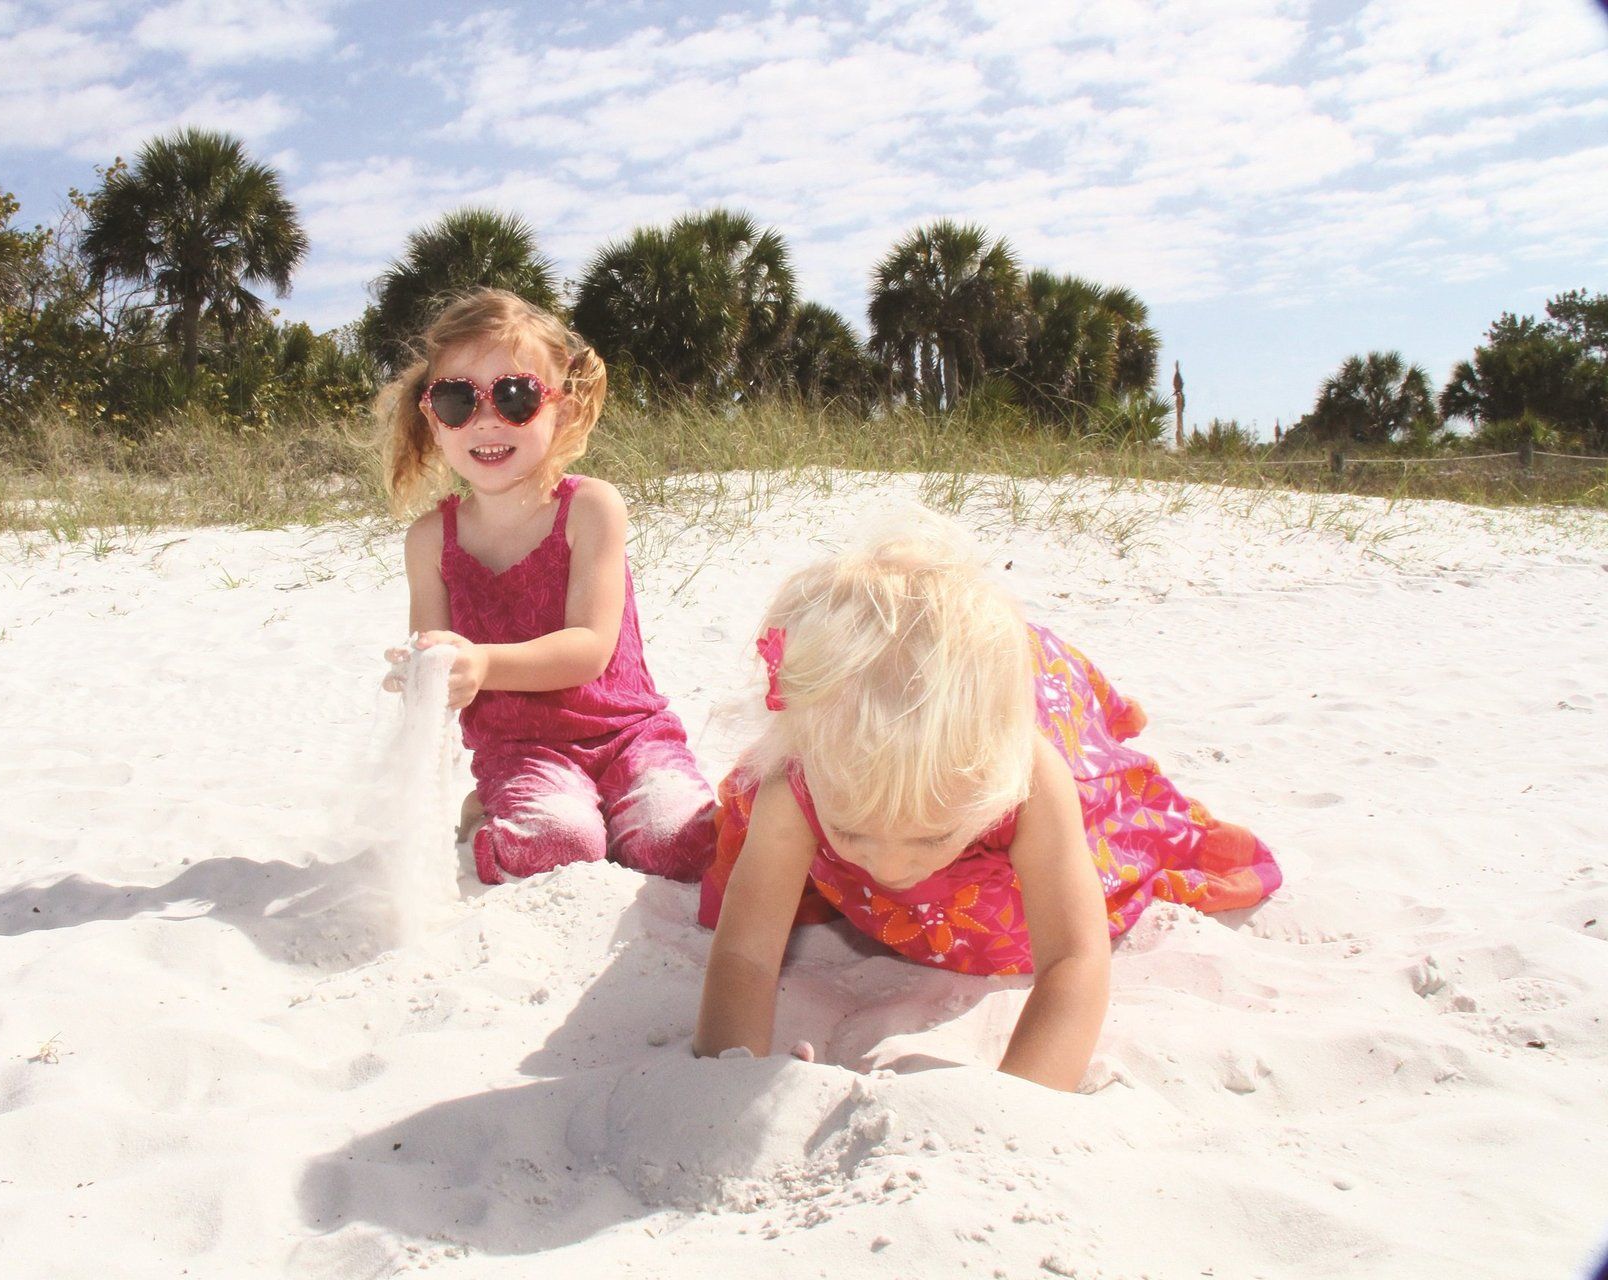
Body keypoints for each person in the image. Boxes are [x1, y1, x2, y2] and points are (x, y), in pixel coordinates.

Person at [692, 515, 1283, 1090]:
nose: (891, 867)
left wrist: (1021, 1099)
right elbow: (746, 955)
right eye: (851, 832)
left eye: (930, 836)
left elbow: (1074, 958)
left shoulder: (1029, 776)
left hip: (1019, 735)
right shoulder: (802, 774)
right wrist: (729, 1075)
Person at [378, 289, 716, 885]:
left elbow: (589, 648)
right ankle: (493, 813)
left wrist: (482, 662)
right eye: (458, 400)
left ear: (562, 409)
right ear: (433, 418)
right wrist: (426, 675)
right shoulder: (430, 541)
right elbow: (439, 655)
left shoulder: (590, 508)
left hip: (628, 734)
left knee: (686, 845)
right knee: (561, 843)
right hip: (522, 748)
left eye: (515, 396)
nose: (486, 419)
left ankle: (612, 809)